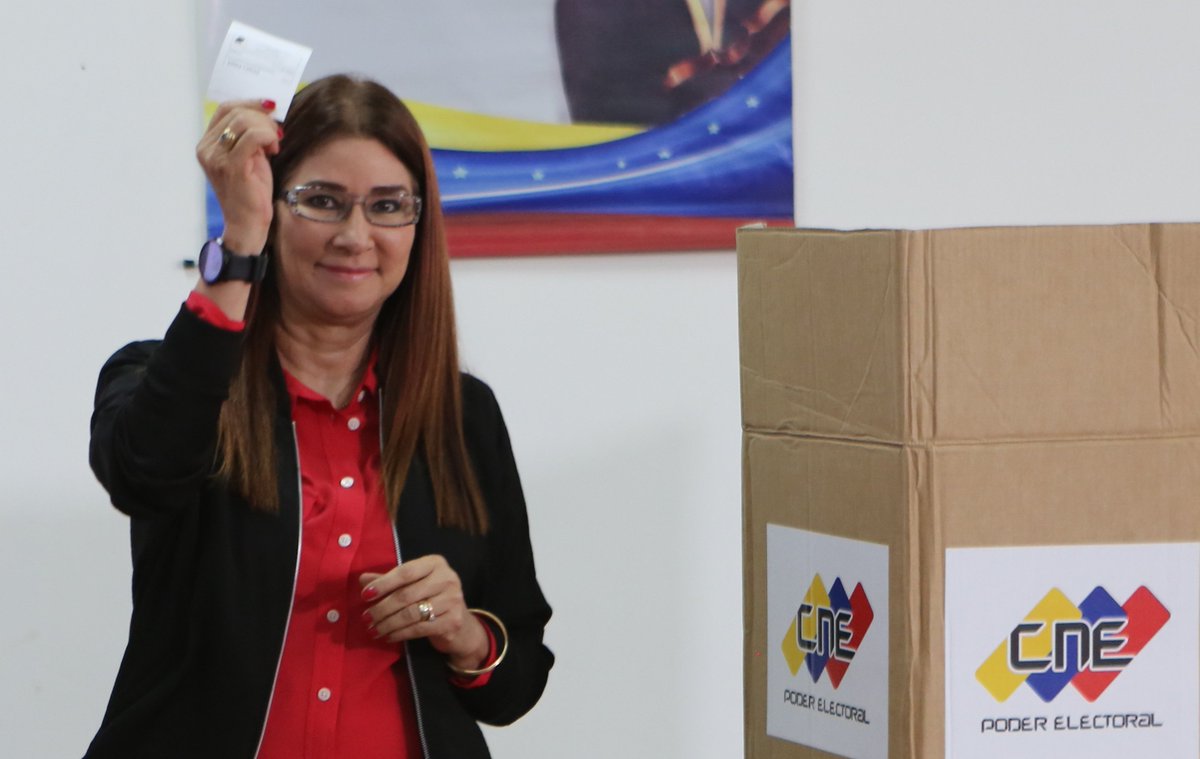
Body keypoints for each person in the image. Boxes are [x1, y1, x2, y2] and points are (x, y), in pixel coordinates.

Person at [84, 75, 553, 758]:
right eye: (322, 201)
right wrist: (238, 243)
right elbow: (143, 473)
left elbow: (519, 679)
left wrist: (465, 634)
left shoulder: (462, 414)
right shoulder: (174, 381)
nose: (355, 236)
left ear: (418, 225)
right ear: (273, 208)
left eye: (387, 206)